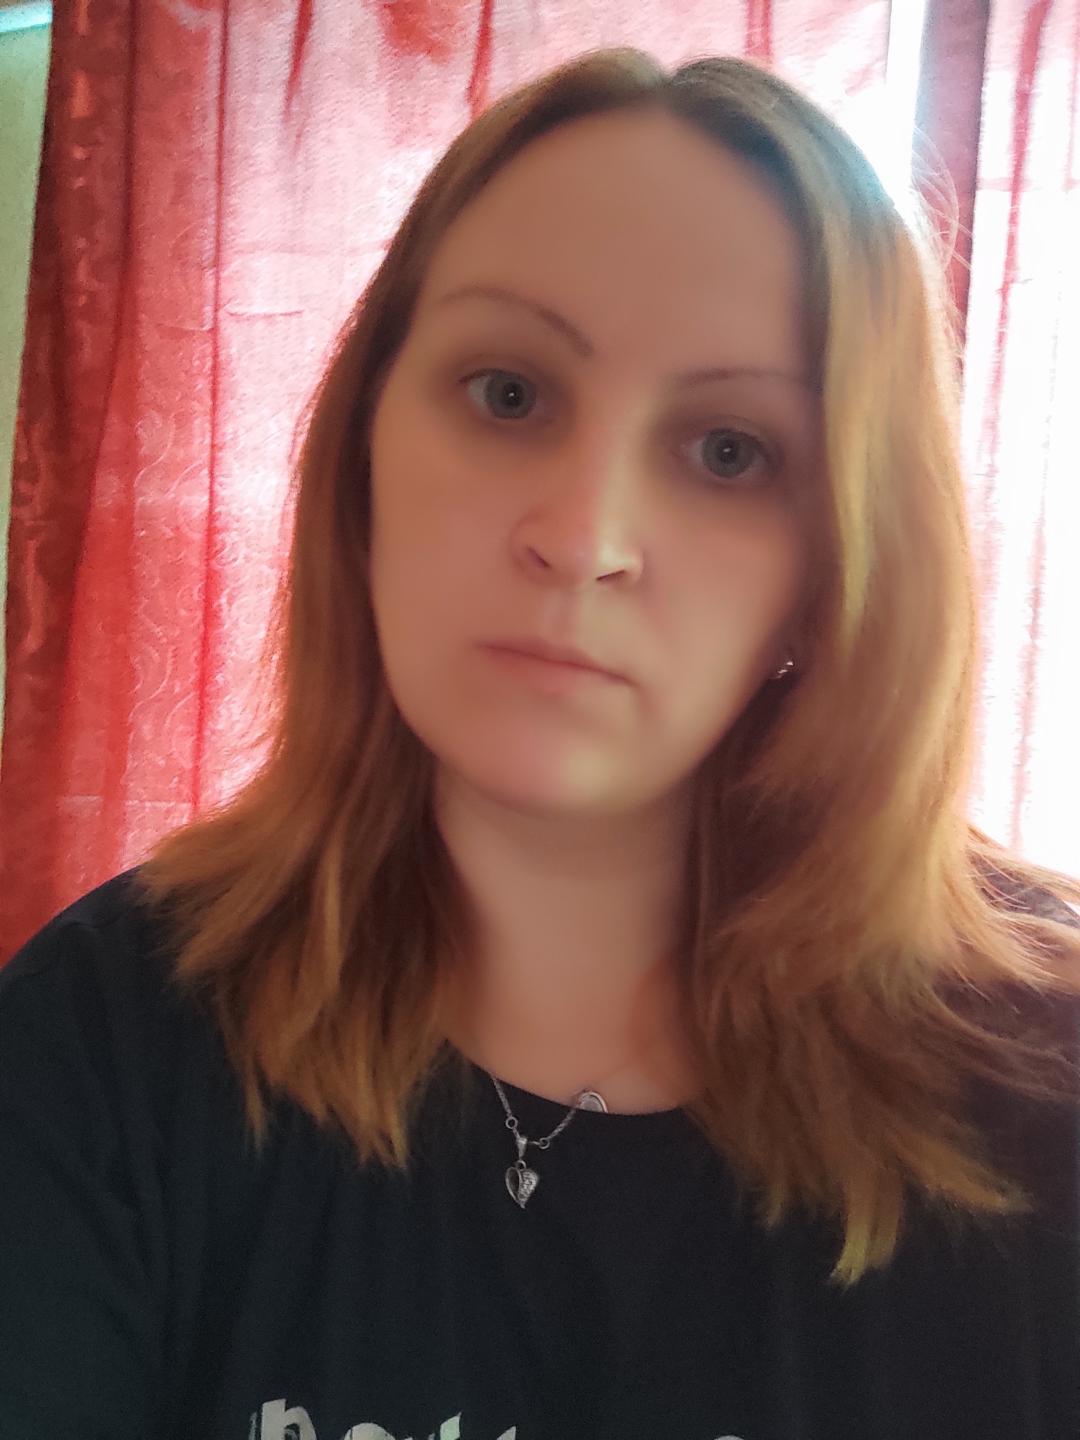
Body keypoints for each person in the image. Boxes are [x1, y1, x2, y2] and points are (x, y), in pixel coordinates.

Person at [2, 45, 1079, 1440]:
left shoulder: (1052, 1084)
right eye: (508, 392)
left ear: (837, 570)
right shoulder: (96, 1046)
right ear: (363, 460)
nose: (582, 536)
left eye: (731, 450)